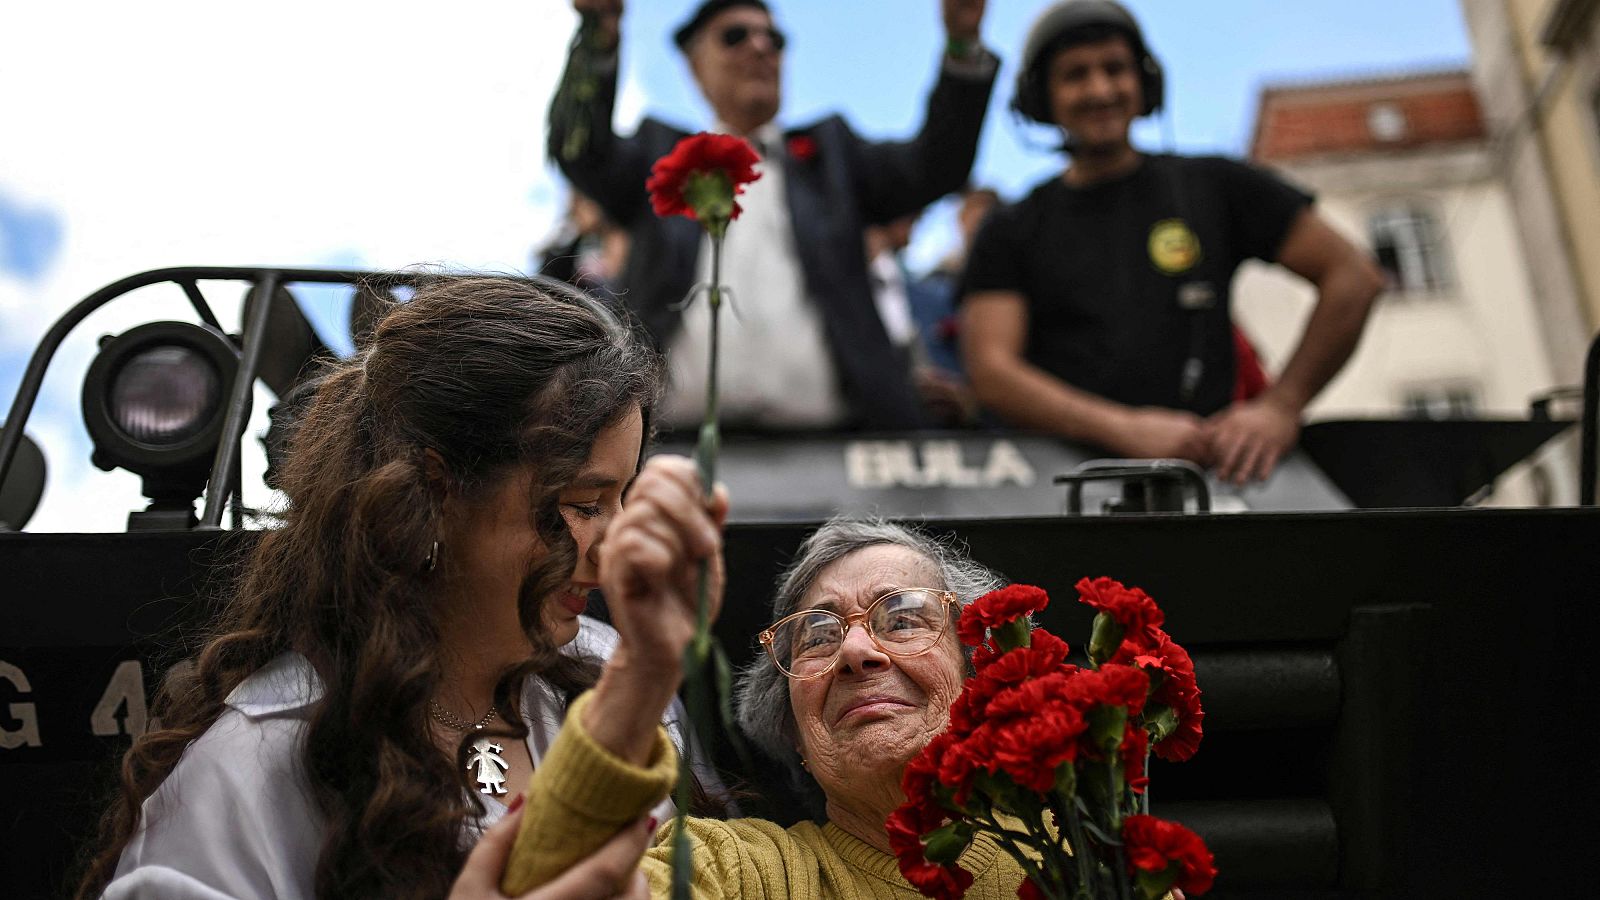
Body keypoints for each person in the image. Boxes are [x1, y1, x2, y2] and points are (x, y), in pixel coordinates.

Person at [78, 276, 715, 900]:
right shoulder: (251, 772)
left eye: (624, 496)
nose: (614, 555)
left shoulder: (611, 673)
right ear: (435, 493)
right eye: (581, 503)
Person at [499, 505, 1061, 897]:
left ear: (981, 674)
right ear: (792, 730)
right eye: (817, 636)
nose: (856, 652)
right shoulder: (744, 871)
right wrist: (641, 673)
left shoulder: (1095, 847)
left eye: (903, 619)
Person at [960, 0, 1383, 484]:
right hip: (1060, 490)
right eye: (1075, 75)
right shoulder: (1011, 227)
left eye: (1115, 69)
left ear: (1146, 84)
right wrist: (1124, 429)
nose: (1099, 89)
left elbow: (1353, 276)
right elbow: (992, 370)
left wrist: (1281, 407)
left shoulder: (1217, 185)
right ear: (1040, 98)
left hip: (1211, 479)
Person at [550, 0, 998, 433]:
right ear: (694, 66)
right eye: (735, 36)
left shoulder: (833, 156)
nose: (760, 47)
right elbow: (579, 148)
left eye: (775, 39)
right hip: (673, 450)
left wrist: (962, 45)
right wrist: (596, 40)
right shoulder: (659, 155)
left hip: (836, 450)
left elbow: (937, 165)